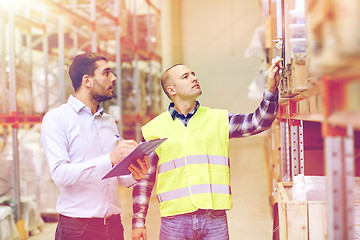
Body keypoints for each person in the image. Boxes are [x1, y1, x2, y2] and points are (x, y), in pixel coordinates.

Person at [131, 59, 283, 240]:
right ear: (172, 90)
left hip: (214, 219)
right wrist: (138, 221)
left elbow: (260, 121)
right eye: (185, 77)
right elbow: (144, 178)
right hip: (174, 221)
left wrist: (271, 89)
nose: (194, 78)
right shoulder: (153, 129)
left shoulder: (218, 119)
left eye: (193, 74)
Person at [40, 52, 150, 240]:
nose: (114, 78)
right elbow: (59, 174)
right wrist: (110, 158)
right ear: (87, 81)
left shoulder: (108, 121)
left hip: (113, 226)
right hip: (78, 229)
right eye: (106, 73)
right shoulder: (56, 119)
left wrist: (134, 174)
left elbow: (117, 177)